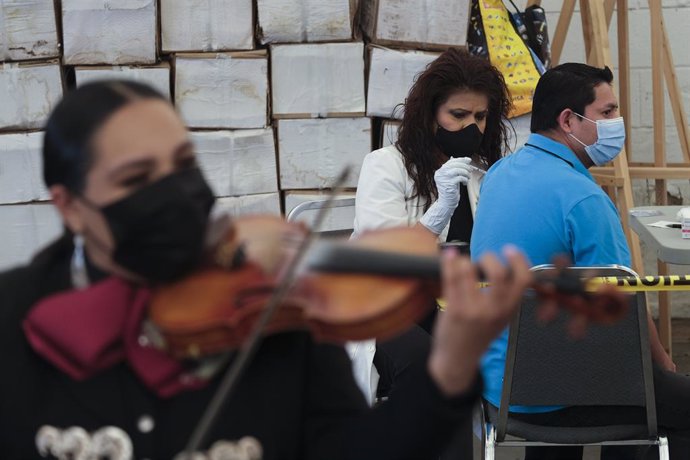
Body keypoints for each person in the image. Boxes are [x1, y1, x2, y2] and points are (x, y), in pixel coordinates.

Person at [0, 80, 533, 460]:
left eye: (184, 165)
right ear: (69, 205)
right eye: (138, 177)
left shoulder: (273, 315)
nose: (175, 192)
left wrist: (447, 374)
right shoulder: (15, 319)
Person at [471, 62, 690, 460]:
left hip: (498, 385)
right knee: (664, 396)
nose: (617, 123)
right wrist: (665, 366)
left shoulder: (500, 174)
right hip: (560, 394)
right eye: (607, 113)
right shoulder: (583, 199)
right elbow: (627, 308)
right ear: (568, 120)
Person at [349, 48, 513, 412]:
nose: (472, 126)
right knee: (434, 369)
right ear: (429, 115)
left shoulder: (483, 174)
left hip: (459, 308)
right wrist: (437, 214)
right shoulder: (385, 166)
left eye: (481, 116)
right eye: (458, 115)